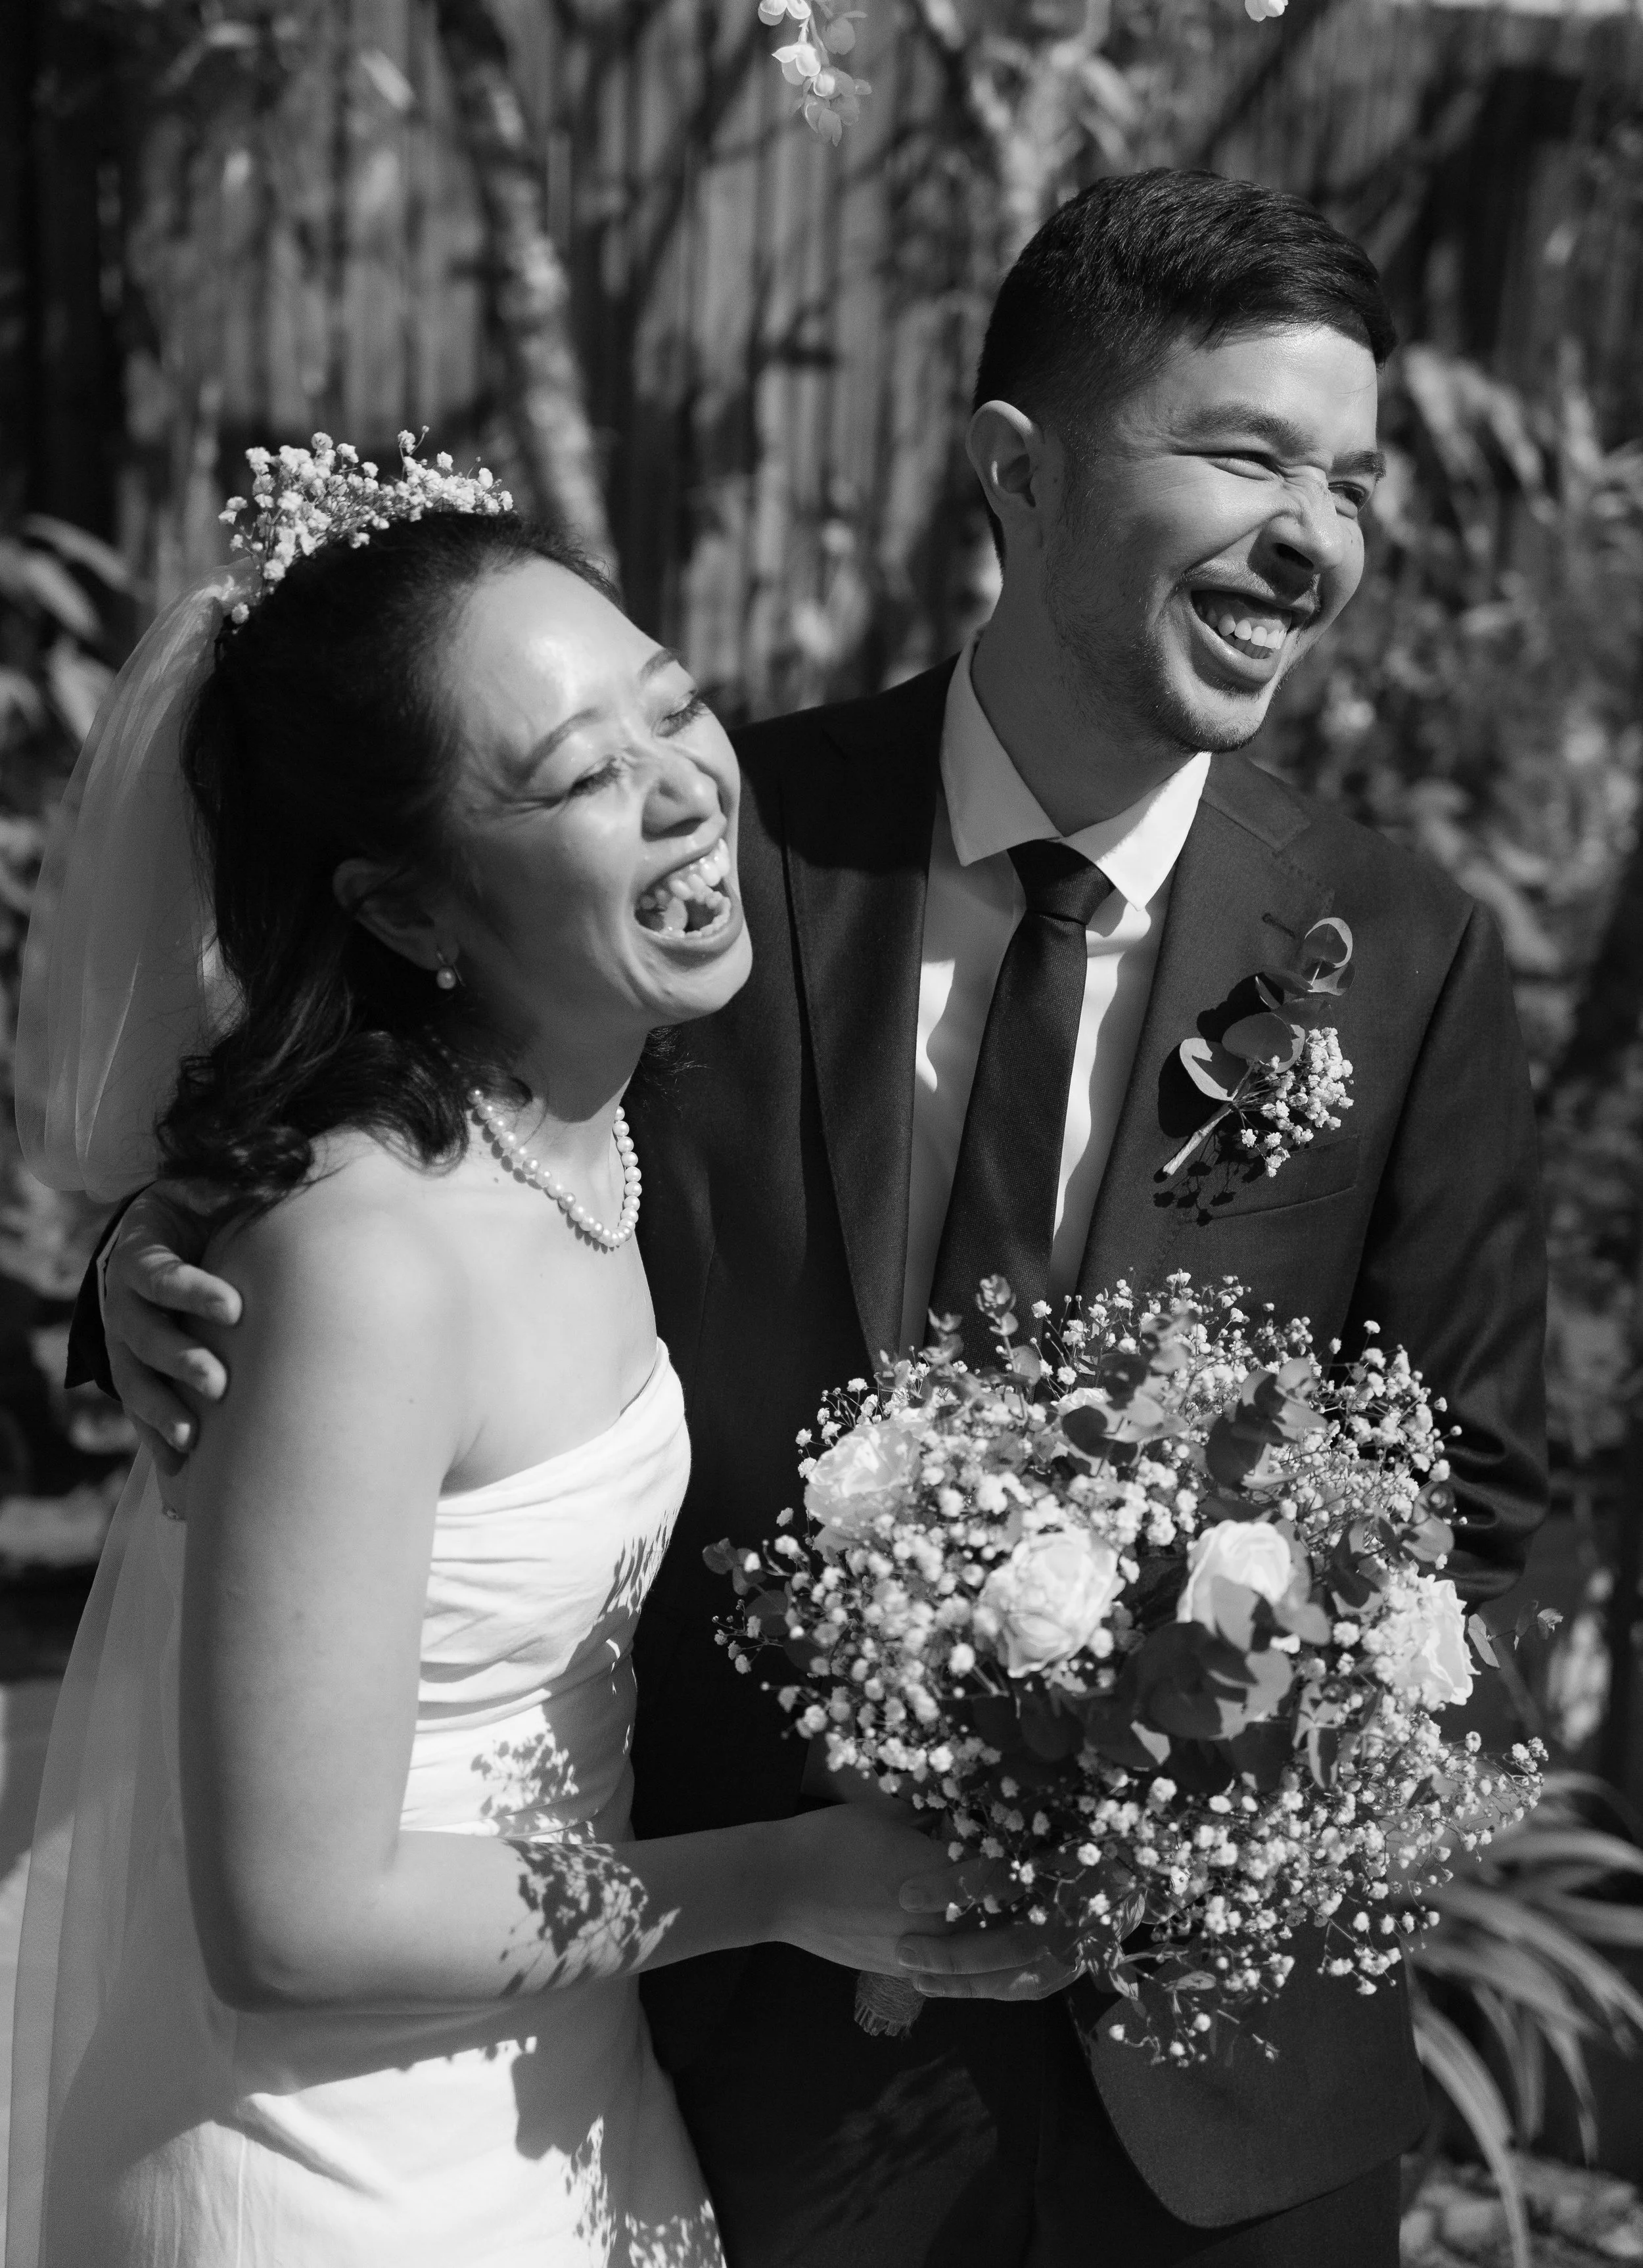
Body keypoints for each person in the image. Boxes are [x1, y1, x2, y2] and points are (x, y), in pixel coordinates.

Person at [80, 172, 1548, 2268]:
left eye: (1351, 478)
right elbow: (398, 1149)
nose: (1311, 539)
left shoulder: (1397, 950)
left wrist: (1256, 1773)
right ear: (1016, 476)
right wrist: (146, 1277)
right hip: (746, 2076)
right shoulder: (696, 857)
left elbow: (1484, 1504)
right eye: (1240, 455)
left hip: (1228, 2112)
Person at [8, 483, 1046, 2268]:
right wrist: (795, 1879)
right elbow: (295, 1919)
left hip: (559, 2088)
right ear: (405, 912)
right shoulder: (363, 1259)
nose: (684, 786)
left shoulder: (600, 1107)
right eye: (574, 778)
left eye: (670, 701)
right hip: (324, 2166)